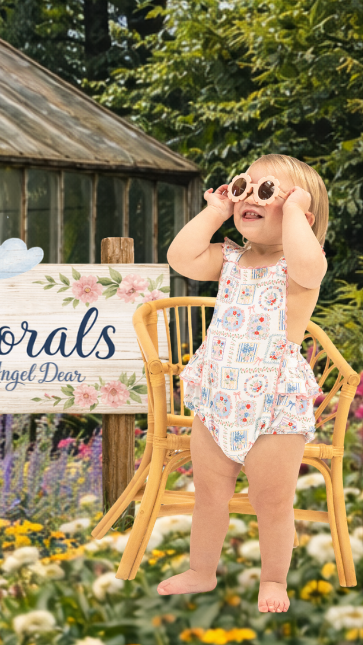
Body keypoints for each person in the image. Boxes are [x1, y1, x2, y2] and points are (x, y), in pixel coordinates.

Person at [157, 154, 330, 613]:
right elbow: (180, 257)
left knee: (271, 501)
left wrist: (294, 215)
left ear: (300, 214)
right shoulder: (229, 259)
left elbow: (311, 267)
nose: (249, 197)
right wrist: (215, 210)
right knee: (209, 495)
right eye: (243, 187)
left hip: (273, 401)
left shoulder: (299, 268)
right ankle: (201, 570)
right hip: (218, 396)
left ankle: (274, 579)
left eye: (267, 192)